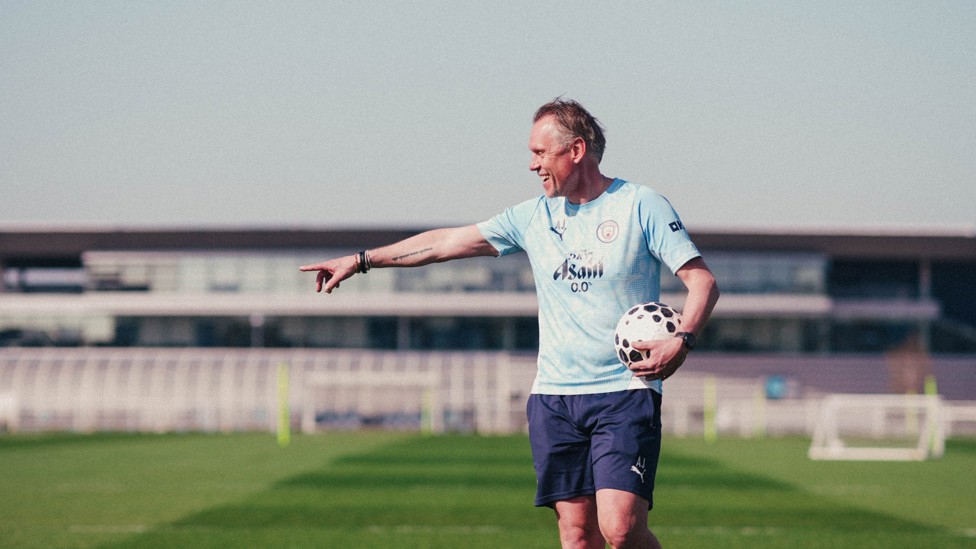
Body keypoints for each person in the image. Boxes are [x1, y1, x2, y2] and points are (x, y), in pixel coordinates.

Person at [300, 98, 720, 549]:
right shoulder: (532, 217)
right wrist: (362, 260)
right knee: (578, 536)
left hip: (625, 391)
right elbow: (444, 243)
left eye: (540, 153)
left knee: (620, 529)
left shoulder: (640, 204)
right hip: (554, 396)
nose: (532, 165)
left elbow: (702, 282)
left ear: (576, 150)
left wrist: (683, 339)